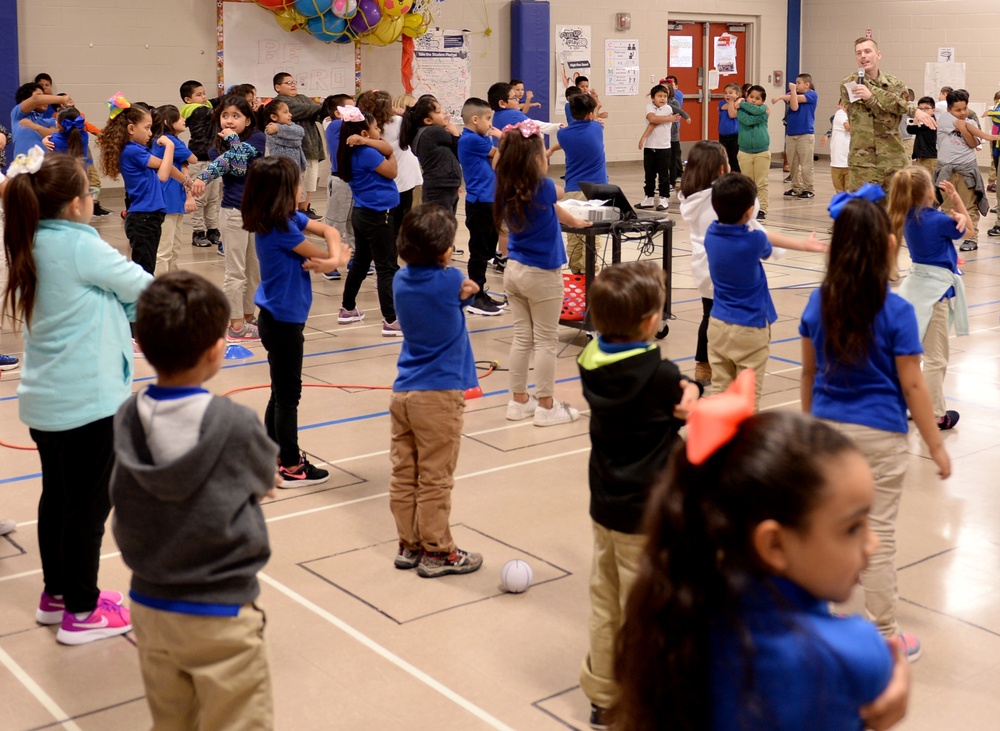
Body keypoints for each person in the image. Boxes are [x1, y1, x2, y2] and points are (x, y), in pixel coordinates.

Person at [615, 387, 910, 731]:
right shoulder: (854, 651)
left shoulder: (680, 620)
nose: (871, 543)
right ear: (774, 545)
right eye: (852, 528)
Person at [110, 271, 277, 729]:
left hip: (149, 604)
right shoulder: (234, 423)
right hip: (220, 610)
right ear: (214, 351)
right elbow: (265, 477)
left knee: (171, 722)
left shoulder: (127, 417)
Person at [3, 152, 152, 645]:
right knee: (88, 509)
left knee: (59, 499)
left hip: (46, 402)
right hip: (88, 403)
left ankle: (58, 595)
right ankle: (83, 613)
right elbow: (144, 288)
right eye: (90, 193)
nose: (93, 200)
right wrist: (123, 299)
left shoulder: (32, 239)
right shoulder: (82, 247)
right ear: (74, 205)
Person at [800, 191, 953, 661]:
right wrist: (936, 445)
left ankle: (820, 620)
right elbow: (913, 387)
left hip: (827, 433)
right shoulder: (898, 311)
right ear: (889, 246)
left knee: (826, 528)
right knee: (878, 534)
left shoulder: (818, 301)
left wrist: (811, 431)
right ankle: (886, 634)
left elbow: (808, 373)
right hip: (882, 437)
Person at [576, 261, 701, 729]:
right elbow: (687, 399)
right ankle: (647, 695)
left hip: (605, 504)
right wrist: (692, 394)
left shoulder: (590, 363)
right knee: (646, 608)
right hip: (647, 512)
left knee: (604, 600)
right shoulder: (659, 374)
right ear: (652, 321)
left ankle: (604, 694)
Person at [389, 204, 483, 578]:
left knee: (404, 473)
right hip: (438, 396)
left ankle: (409, 543)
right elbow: (464, 293)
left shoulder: (400, 281)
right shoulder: (449, 279)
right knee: (435, 476)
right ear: (443, 252)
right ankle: (438, 550)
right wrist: (472, 290)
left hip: (403, 393)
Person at [242, 157, 348, 485]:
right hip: (282, 323)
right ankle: (290, 463)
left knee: (280, 391)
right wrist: (333, 259)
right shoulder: (282, 228)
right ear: (281, 191)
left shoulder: (282, 218)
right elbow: (323, 251)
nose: (301, 187)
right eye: (296, 183)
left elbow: (329, 230)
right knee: (289, 396)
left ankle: (272, 452)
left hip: (280, 319)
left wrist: (329, 259)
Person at [494, 119, 590, 426]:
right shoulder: (546, 187)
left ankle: (518, 401)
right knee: (547, 341)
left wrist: (574, 222)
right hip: (541, 276)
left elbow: (553, 209)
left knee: (523, 338)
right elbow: (557, 194)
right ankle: (547, 406)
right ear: (536, 159)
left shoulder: (508, 187)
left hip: (515, 272)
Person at [704, 173, 825, 409]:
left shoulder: (710, 233)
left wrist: (802, 244)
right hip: (750, 327)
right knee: (747, 401)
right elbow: (765, 240)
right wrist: (804, 245)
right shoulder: (754, 241)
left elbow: (756, 233)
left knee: (720, 394)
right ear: (750, 212)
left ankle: (718, 442)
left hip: (717, 324)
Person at [889, 168, 969, 430]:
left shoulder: (908, 217)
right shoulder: (936, 220)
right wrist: (957, 202)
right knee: (936, 358)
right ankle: (934, 413)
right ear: (930, 192)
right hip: (933, 293)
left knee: (916, 354)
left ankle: (913, 405)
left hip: (915, 288)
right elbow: (966, 229)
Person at [190, 95, 267, 340]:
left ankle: (247, 317)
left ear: (247, 119)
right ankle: (235, 327)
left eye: (236, 116)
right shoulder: (216, 147)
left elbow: (243, 158)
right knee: (236, 272)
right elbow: (232, 165)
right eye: (225, 116)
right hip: (234, 213)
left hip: (257, 212)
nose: (230, 121)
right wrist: (202, 177)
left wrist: (233, 141)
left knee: (254, 270)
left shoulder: (258, 138)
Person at [335, 106, 402, 336]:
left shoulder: (351, 150)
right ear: (364, 133)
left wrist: (372, 142)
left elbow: (384, 144)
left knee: (361, 263)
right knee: (386, 267)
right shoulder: (367, 153)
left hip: (362, 214)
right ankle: (391, 320)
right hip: (377, 215)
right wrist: (389, 154)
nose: (378, 131)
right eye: (374, 128)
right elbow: (392, 170)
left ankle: (348, 308)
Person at [97, 98, 179, 277]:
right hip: (144, 218)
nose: (150, 132)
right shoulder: (133, 150)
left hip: (149, 217)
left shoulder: (137, 149)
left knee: (146, 267)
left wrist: (186, 182)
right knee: (144, 271)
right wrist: (170, 146)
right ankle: (140, 303)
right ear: (131, 129)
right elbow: (163, 174)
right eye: (147, 127)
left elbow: (165, 167)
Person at [840, 37, 934, 192]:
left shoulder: (895, 84)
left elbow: (891, 121)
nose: (863, 56)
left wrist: (870, 97)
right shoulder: (849, 84)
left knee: (897, 210)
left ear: (878, 55)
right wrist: (908, 108)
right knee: (864, 212)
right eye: (859, 53)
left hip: (893, 159)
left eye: (867, 51)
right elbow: (892, 108)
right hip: (863, 161)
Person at [456, 97, 505, 316]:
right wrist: (503, 138)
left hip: (490, 200)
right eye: (488, 119)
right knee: (479, 251)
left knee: (486, 251)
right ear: (475, 119)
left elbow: (497, 164)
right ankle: (474, 297)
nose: (491, 124)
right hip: (480, 202)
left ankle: (480, 291)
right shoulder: (472, 140)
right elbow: (500, 156)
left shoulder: (480, 138)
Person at [934, 89, 999, 252]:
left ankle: (971, 238)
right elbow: (967, 127)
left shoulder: (970, 121)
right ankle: (947, 234)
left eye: (965, 108)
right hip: (947, 169)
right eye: (958, 110)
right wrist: (988, 136)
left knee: (970, 205)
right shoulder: (944, 119)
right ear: (949, 109)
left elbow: (971, 142)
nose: (962, 113)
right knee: (948, 205)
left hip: (966, 169)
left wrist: (964, 130)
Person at [357, 90, 423, 235]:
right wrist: (401, 114)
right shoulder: (398, 122)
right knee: (402, 215)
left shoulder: (364, 126)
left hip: (385, 176)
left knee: (388, 218)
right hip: (403, 175)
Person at [558, 93, 608, 273]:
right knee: (592, 238)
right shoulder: (596, 128)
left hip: (572, 189)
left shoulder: (562, 134)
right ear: (589, 113)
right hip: (596, 192)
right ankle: (589, 275)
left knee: (575, 236)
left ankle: (576, 274)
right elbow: (595, 119)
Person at [150, 105, 197, 276]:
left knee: (174, 247)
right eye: (178, 117)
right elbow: (193, 158)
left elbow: (185, 162)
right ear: (167, 122)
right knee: (165, 248)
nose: (183, 120)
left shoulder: (168, 140)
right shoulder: (169, 141)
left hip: (176, 197)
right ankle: (161, 284)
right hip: (166, 197)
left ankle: (171, 279)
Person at [272, 73, 325, 219]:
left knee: (310, 181)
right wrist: (319, 107)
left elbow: (317, 113)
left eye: (294, 82)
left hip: (313, 145)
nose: (293, 85)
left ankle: (305, 209)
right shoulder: (280, 102)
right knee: (296, 183)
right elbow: (310, 110)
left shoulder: (302, 98)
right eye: (288, 83)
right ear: (278, 87)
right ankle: (293, 211)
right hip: (297, 149)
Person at [399, 95, 462, 214]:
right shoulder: (433, 132)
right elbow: (460, 147)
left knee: (446, 226)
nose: (443, 112)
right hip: (440, 188)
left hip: (445, 187)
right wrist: (455, 132)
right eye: (438, 111)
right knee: (440, 227)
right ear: (428, 121)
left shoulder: (425, 132)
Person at [179, 80, 222, 249]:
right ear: (188, 100)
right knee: (199, 198)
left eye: (204, 93)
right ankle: (198, 231)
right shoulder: (193, 110)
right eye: (199, 95)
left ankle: (212, 229)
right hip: (200, 159)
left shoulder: (206, 106)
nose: (204, 97)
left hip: (213, 159)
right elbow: (213, 110)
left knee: (213, 198)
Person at [322, 93, 357, 280]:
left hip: (356, 181)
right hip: (340, 181)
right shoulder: (336, 125)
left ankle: (353, 258)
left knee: (354, 222)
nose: (356, 111)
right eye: (351, 108)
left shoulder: (350, 125)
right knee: (336, 223)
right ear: (338, 113)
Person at [773, 74, 818, 199]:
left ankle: (808, 188)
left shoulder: (812, 95)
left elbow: (795, 105)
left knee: (806, 164)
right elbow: (792, 102)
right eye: (796, 83)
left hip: (805, 134)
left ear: (807, 84)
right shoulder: (793, 94)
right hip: (791, 133)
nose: (796, 85)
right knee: (793, 163)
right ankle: (796, 187)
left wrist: (784, 95)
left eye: (799, 83)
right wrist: (790, 93)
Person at [636, 84, 678, 211]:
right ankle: (648, 197)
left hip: (663, 147)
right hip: (650, 146)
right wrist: (669, 119)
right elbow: (652, 118)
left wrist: (643, 137)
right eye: (659, 96)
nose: (663, 98)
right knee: (649, 174)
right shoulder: (649, 106)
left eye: (665, 96)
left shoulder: (668, 108)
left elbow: (654, 121)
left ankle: (664, 198)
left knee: (663, 174)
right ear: (653, 98)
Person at [736, 85, 770, 220]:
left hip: (762, 151)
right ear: (746, 96)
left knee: (761, 182)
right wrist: (761, 116)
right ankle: (748, 207)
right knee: (747, 182)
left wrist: (742, 104)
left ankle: (762, 209)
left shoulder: (762, 108)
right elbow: (747, 120)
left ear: (762, 101)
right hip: (744, 151)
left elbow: (759, 111)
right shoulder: (742, 111)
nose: (754, 100)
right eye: (751, 97)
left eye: (757, 98)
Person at [10, 82, 61, 159]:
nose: (44, 100)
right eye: (41, 96)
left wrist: (36, 127)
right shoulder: (17, 115)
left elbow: (55, 135)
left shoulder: (49, 121)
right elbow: (36, 99)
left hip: (45, 167)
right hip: (23, 167)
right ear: (25, 100)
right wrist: (62, 99)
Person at [261, 98, 306, 175]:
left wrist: (279, 129)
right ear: (274, 117)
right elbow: (296, 143)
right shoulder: (270, 129)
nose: (290, 114)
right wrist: (296, 139)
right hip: (281, 170)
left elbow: (301, 132)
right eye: (285, 112)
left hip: (295, 168)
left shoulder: (289, 125)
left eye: (289, 111)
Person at [825, 99, 852, 193]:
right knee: (840, 190)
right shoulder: (840, 113)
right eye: (841, 104)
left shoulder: (851, 115)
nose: (839, 106)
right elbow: (848, 127)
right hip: (839, 161)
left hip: (849, 161)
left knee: (849, 190)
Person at [907, 96, 937, 176]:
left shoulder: (933, 122)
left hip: (930, 158)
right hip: (919, 156)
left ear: (933, 110)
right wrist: (915, 120)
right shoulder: (920, 122)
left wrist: (919, 120)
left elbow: (926, 127)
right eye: (920, 109)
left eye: (926, 109)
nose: (923, 111)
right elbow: (910, 130)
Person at [718, 83, 742, 173]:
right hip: (723, 136)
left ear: (738, 94)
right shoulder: (722, 103)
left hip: (735, 136)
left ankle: (737, 175)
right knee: (724, 158)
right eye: (725, 93)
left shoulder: (741, 104)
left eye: (730, 92)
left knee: (735, 158)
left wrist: (736, 102)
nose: (727, 95)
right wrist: (734, 101)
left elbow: (733, 114)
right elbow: (725, 107)